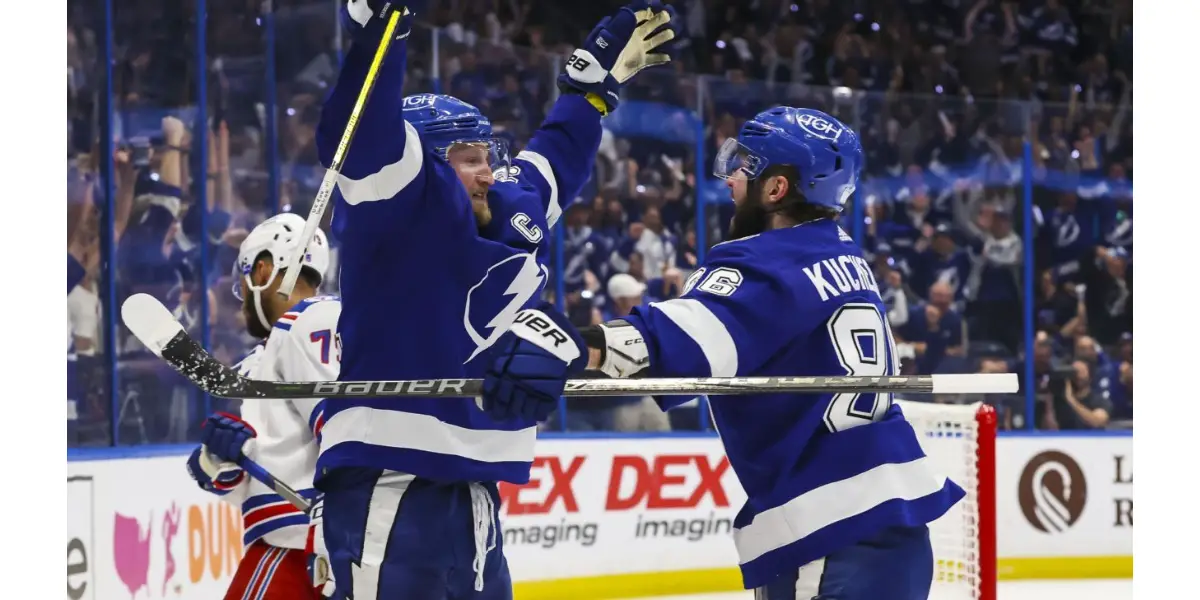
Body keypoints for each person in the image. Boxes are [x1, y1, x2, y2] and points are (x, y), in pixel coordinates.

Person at [482, 107, 965, 599]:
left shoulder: (767, 261)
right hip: (889, 527)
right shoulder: (839, 252)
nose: (732, 176)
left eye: (745, 166)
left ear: (776, 189)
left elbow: (676, 339)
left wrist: (575, 343)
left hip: (830, 532)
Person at [312, 1, 677, 598]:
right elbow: (360, 136)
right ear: (425, 162)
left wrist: (587, 95)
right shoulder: (398, 204)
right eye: (468, 160)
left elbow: (554, 161)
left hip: (476, 493)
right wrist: (382, 35)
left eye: (488, 158)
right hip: (388, 479)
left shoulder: (511, 207)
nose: (487, 173)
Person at [184, 213, 339, 600]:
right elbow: (254, 474)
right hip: (313, 540)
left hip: (302, 548)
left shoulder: (309, 322)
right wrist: (219, 459)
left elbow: (343, 428)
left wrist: (342, 519)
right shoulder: (265, 357)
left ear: (264, 269)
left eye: (243, 283)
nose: (242, 304)